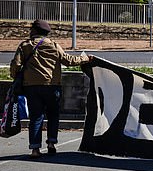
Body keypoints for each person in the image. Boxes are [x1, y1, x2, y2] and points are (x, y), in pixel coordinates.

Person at [10, 20, 93, 158]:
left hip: (32, 87)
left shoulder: (25, 45)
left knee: (36, 117)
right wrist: (85, 59)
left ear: (34, 31)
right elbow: (68, 60)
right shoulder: (54, 45)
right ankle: (51, 144)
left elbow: (16, 65)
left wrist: (15, 76)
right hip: (52, 86)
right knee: (53, 114)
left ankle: (35, 149)